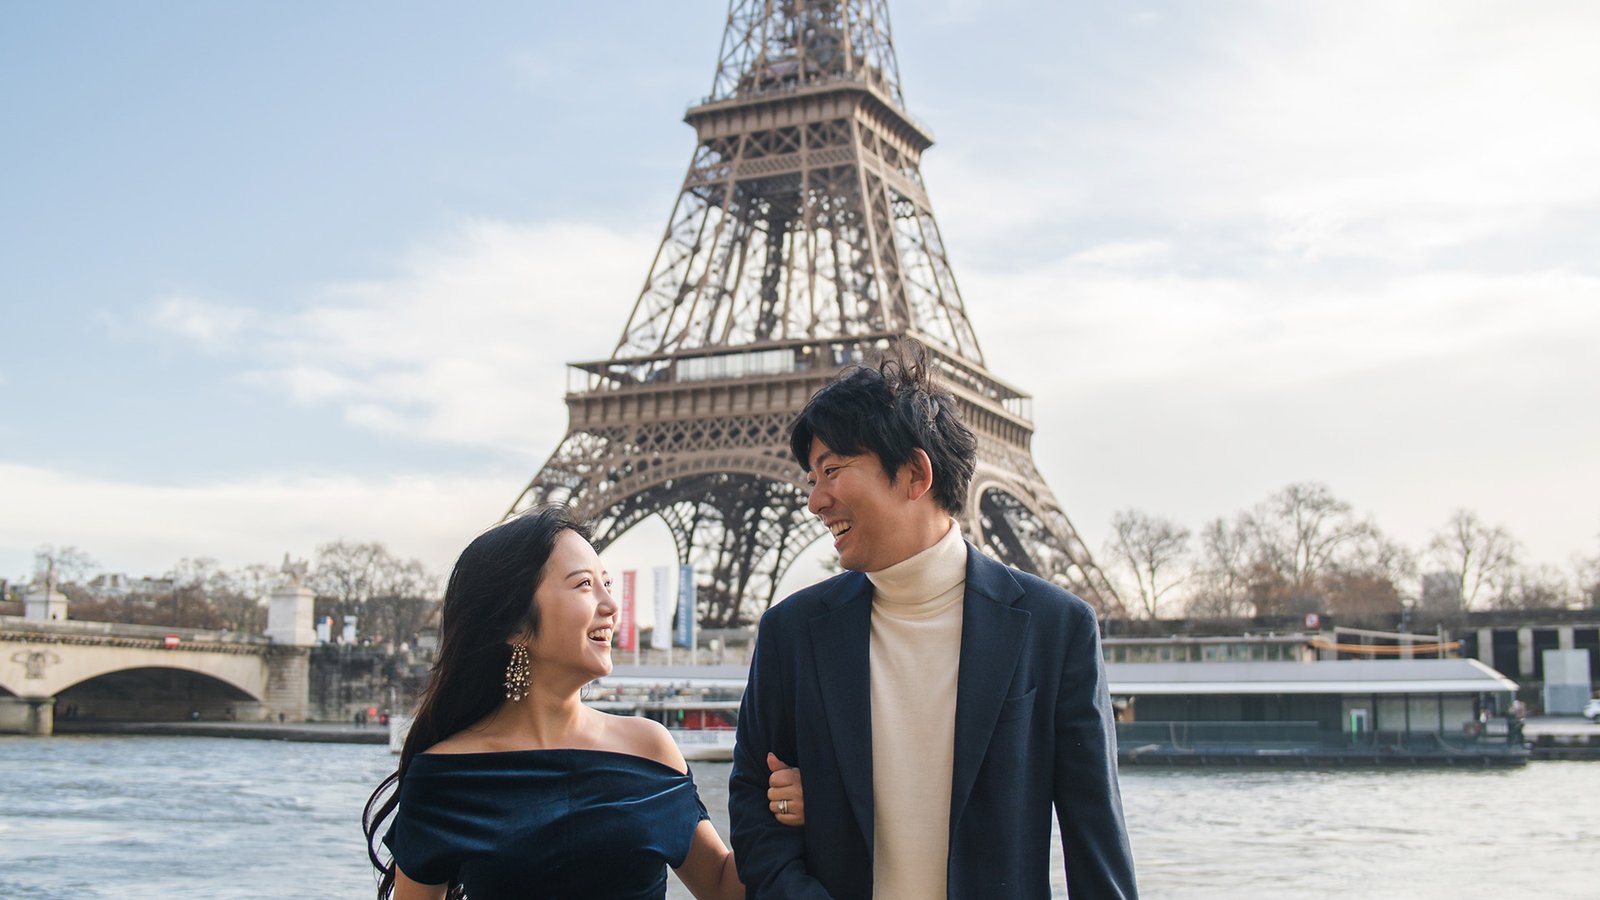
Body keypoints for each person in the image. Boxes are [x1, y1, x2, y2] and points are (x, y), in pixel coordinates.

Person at [728, 342, 1139, 899]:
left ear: (915, 474)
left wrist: (816, 797)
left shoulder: (1056, 629)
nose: (814, 500)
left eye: (832, 471)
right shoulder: (790, 632)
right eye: (810, 478)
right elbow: (753, 800)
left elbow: (1096, 846)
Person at [363, 505, 805, 900]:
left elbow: (725, 887)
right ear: (514, 624)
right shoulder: (443, 775)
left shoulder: (650, 747)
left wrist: (794, 810)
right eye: (584, 585)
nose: (612, 604)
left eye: (608, 584)